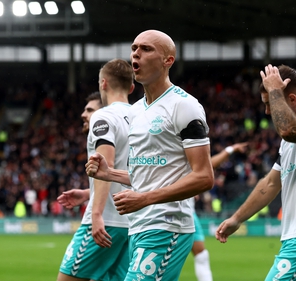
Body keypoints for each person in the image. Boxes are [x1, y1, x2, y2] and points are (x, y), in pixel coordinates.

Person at [85, 30, 214, 281]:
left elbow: (204, 177)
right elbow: (147, 176)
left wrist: (145, 199)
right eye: (134, 48)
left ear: (168, 61)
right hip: (139, 227)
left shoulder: (183, 105)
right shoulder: (136, 111)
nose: (136, 53)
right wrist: (109, 173)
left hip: (167, 226)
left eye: (146, 49)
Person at [215, 64, 296, 281]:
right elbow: (271, 183)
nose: (267, 111)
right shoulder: (288, 142)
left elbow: (289, 130)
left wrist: (275, 90)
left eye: (270, 102)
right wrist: (237, 219)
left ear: (291, 99)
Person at [57, 58, 135, 281]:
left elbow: (106, 166)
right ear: (131, 87)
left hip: (106, 219)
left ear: (103, 83)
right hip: (131, 222)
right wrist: (86, 193)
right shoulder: (140, 116)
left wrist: (97, 214)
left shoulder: (103, 116)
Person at [191, 142, 248, 281]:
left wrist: (231, 149)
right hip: (172, 210)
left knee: (201, 255)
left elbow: (209, 165)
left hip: (188, 212)